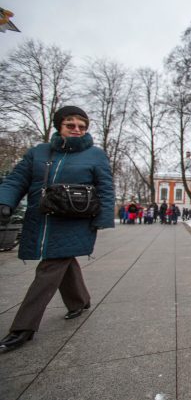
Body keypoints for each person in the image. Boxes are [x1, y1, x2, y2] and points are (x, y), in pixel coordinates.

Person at [0, 105, 115, 353]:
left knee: (49, 269)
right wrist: (5, 201)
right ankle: (79, 301)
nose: (76, 129)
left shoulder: (95, 155)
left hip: (75, 222)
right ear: (59, 125)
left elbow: (106, 188)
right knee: (63, 262)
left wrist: (102, 219)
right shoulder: (39, 153)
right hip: (41, 219)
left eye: (82, 126)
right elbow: (17, 179)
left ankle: (23, 328)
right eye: (70, 124)